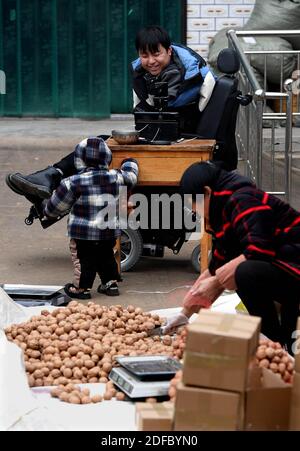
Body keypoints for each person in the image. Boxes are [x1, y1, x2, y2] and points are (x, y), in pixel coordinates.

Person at [6, 25, 215, 201]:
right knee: (97, 145)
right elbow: (142, 115)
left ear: (169, 51)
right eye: (144, 55)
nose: (151, 61)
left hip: (179, 143)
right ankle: (51, 179)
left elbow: (191, 120)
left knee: (97, 152)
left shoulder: (190, 77)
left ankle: (51, 187)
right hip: (153, 136)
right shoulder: (144, 77)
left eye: (156, 53)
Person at [162, 161, 300, 354]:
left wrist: (217, 282)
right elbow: (216, 265)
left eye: (194, 203)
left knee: (243, 272)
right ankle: (275, 343)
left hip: (293, 264)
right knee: (232, 270)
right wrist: (184, 314)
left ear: (207, 192)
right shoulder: (222, 209)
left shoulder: (242, 199)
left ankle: (273, 342)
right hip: (281, 268)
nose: (194, 210)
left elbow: (260, 249)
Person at [43, 136, 139, 299]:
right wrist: (130, 161)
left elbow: (55, 208)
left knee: (83, 260)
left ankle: (81, 289)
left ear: (79, 159)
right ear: (107, 157)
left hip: (82, 234)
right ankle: (110, 284)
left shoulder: (72, 182)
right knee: (106, 256)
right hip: (107, 231)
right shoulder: (116, 177)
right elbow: (132, 176)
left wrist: (46, 209)